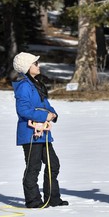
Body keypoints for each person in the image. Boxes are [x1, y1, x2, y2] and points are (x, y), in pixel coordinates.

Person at [12, 52, 68, 208]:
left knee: (53, 164)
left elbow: (46, 105)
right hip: (30, 133)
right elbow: (23, 110)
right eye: (35, 63)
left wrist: (53, 114)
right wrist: (45, 116)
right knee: (33, 166)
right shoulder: (24, 86)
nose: (38, 65)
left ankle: (52, 198)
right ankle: (33, 200)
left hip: (43, 133)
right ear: (27, 67)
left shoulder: (36, 84)